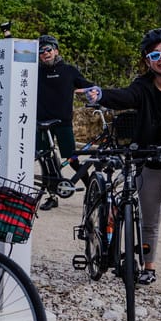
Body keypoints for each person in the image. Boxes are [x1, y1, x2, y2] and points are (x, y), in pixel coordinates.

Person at [87, 27, 161, 310]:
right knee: (149, 222)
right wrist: (102, 94)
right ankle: (149, 268)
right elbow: (125, 96)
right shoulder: (142, 86)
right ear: (148, 60)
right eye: (156, 55)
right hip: (148, 163)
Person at [35, 34, 99, 211]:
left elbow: (86, 85)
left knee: (72, 159)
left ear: (56, 50)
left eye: (48, 49)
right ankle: (52, 196)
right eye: (41, 51)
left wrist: (96, 94)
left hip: (63, 122)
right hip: (41, 123)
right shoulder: (35, 71)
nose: (44, 53)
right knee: (46, 160)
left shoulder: (69, 71)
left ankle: (92, 192)